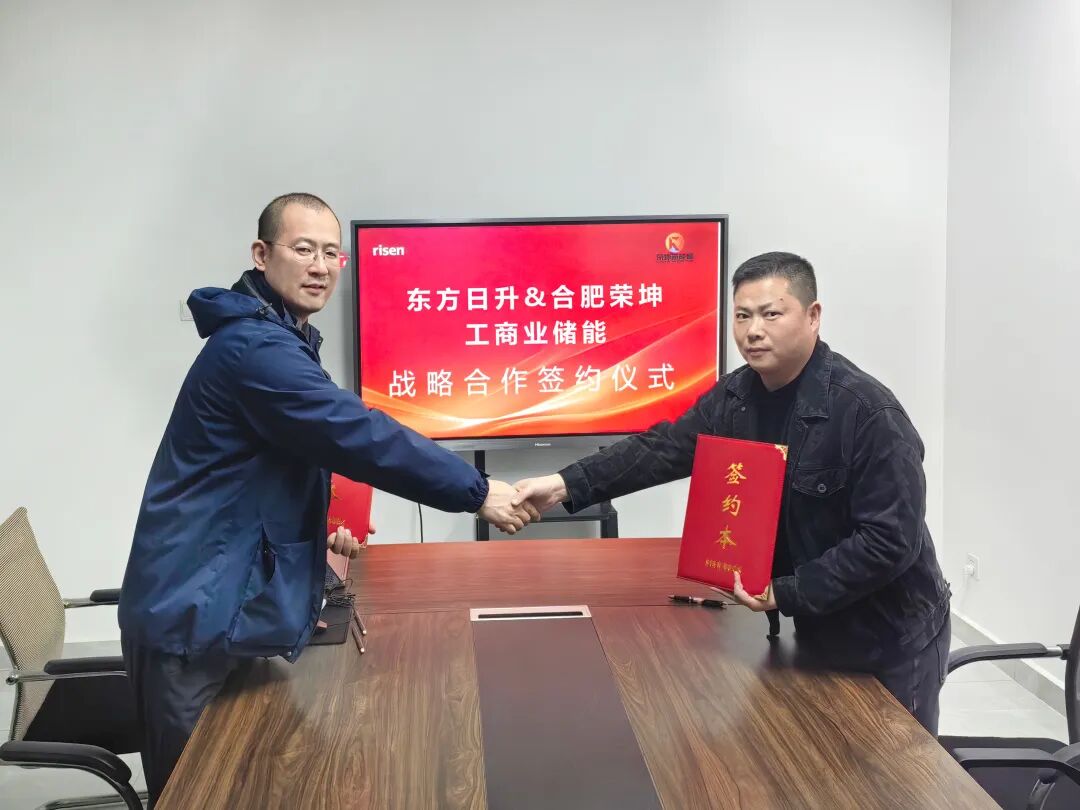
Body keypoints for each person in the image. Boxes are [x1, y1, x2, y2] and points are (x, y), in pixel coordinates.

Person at [118, 193, 536, 804]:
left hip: (220, 602)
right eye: (303, 249)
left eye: (331, 254)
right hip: (192, 614)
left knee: (249, 785)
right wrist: (476, 491)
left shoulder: (279, 337)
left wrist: (329, 524)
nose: (320, 266)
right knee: (198, 793)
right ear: (262, 255)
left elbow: (289, 458)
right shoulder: (256, 349)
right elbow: (357, 434)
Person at [512, 251, 952, 734]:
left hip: (891, 635)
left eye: (771, 314)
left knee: (894, 767)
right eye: (742, 316)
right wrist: (563, 484)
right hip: (818, 622)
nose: (753, 331)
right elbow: (663, 448)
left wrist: (784, 592)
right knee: (822, 754)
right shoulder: (737, 396)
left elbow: (890, 542)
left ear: (813, 316)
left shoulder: (869, 413)